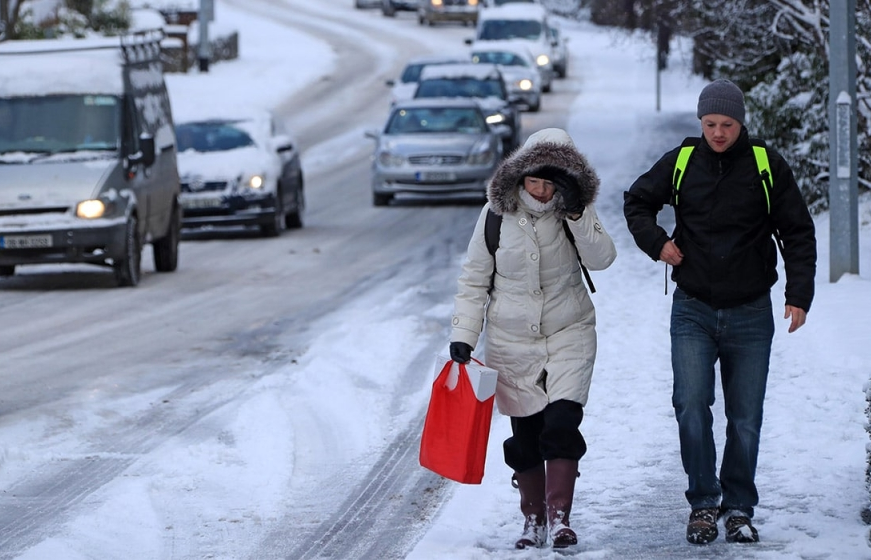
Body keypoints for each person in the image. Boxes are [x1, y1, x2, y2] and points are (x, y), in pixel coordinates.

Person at [623, 79, 817, 545]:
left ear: (741, 122)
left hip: (751, 310)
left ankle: (739, 508)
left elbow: (797, 231)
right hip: (693, 307)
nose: (718, 133)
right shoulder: (683, 160)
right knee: (691, 406)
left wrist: (799, 294)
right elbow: (636, 202)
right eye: (710, 123)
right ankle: (704, 505)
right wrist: (658, 244)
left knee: (745, 417)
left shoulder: (766, 164)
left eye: (727, 124)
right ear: (701, 121)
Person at [449, 128, 617, 550]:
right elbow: (473, 280)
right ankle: (534, 520)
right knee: (526, 435)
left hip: (569, 331)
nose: (542, 191)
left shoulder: (576, 209)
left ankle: (560, 518)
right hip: (511, 341)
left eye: (551, 182)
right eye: (535, 181)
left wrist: (578, 214)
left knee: (561, 423)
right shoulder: (494, 215)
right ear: (520, 177)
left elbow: (604, 258)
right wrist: (464, 335)